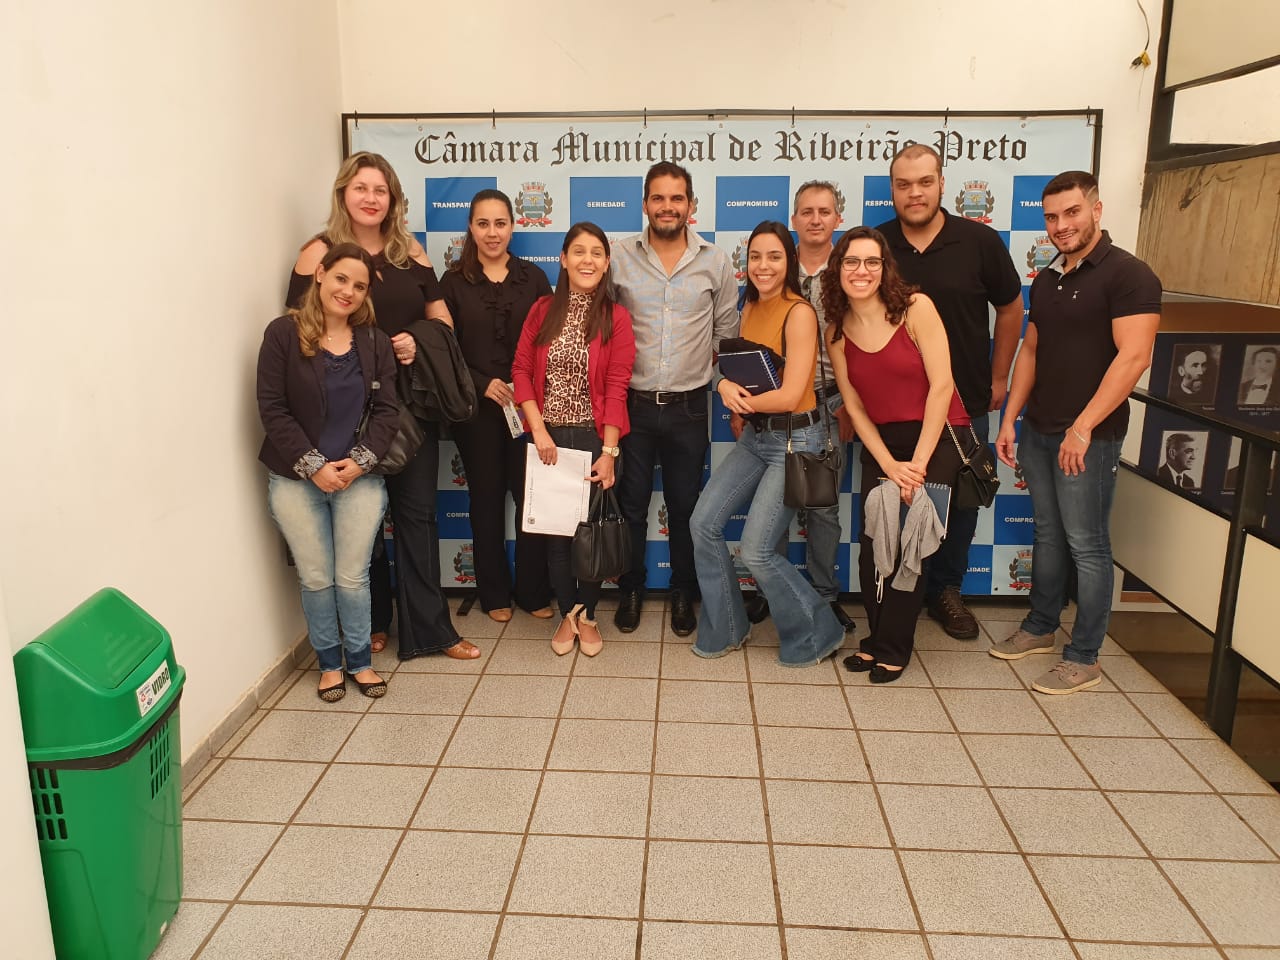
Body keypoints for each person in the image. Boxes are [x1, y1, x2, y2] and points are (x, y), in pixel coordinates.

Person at [287, 152, 480, 662]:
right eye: (361, 188)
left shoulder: (410, 252)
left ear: (393, 199)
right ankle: (372, 625)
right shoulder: (318, 254)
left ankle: (433, 631)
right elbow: (297, 330)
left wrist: (419, 339)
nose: (371, 198)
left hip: (409, 410)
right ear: (343, 193)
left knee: (417, 517)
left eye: (381, 190)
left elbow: (443, 322)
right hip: (345, 415)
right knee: (361, 524)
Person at [992, 171, 1161, 695]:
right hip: (1041, 429)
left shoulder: (1130, 276)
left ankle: (1084, 656)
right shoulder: (1047, 279)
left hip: (1090, 437)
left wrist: (1083, 428)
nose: (1061, 226)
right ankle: (1041, 626)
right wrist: (1009, 419)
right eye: (1051, 217)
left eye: (1071, 213)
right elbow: (1032, 352)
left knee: (1088, 545)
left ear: (1096, 210)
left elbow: (1135, 356)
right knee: (1047, 532)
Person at [877, 144, 1024, 641]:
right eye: (903, 184)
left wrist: (999, 374)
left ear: (942, 183)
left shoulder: (979, 242)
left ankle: (947, 591)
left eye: (924, 182)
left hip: (965, 404)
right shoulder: (876, 246)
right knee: (895, 501)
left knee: (960, 504)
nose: (913, 193)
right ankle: (897, 592)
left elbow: (1010, 308)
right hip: (893, 408)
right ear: (892, 189)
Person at [691, 222, 845, 667]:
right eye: (755, 256)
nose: (763, 266)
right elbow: (733, 368)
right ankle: (728, 629)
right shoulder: (748, 306)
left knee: (757, 550)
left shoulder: (799, 312)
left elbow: (792, 392)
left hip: (798, 438)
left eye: (774, 257)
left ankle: (820, 631)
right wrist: (723, 386)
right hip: (758, 437)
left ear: (788, 262)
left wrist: (735, 397)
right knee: (703, 525)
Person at [825, 227, 969, 683]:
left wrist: (919, 465)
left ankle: (894, 648)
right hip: (882, 446)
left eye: (872, 262)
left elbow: (942, 386)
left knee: (910, 548)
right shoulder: (836, 329)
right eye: (852, 262)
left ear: (885, 267)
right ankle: (875, 639)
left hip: (936, 438)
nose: (861, 271)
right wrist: (888, 463)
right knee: (873, 547)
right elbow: (854, 405)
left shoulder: (915, 308)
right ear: (839, 269)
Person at [258, 244, 397, 701]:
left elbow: (387, 412)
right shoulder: (283, 333)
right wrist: (315, 467)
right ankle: (329, 663)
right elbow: (273, 409)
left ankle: (360, 661)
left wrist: (359, 462)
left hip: (359, 478)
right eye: (341, 279)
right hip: (297, 481)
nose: (348, 291)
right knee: (316, 576)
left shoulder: (374, 341)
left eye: (359, 286)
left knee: (353, 576)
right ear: (319, 274)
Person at [610, 162, 739, 638]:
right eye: (658, 198)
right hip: (632, 405)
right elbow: (602, 329)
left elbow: (727, 334)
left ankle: (684, 590)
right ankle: (630, 586)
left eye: (677, 198)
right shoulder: (618, 256)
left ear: (691, 206)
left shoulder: (715, 260)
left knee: (686, 507)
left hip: (689, 406)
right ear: (645, 204)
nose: (668, 207)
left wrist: (724, 386)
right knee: (631, 505)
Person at [512, 223, 636, 656]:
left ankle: (587, 614)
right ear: (563, 259)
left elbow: (618, 385)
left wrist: (609, 452)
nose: (588, 260)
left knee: (589, 536)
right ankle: (567, 612)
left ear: (606, 264)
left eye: (597, 253)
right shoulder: (541, 310)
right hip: (545, 439)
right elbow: (521, 372)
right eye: (578, 251)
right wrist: (539, 430)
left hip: (590, 440)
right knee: (557, 536)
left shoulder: (616, 318)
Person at [441, 189, 554, 623]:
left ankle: (533, 590)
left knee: (532, 501)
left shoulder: (535, 279)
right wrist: (480, 383)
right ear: (471, 227)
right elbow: (444, 351)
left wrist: (525, 388)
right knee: (485, 501)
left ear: (513, 226)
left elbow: (548, 344)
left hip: (529, 412)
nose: (492, 233)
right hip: (477, 412)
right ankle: (493, 594)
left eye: (500, 223)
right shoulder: (452, 282)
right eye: (483, 224)